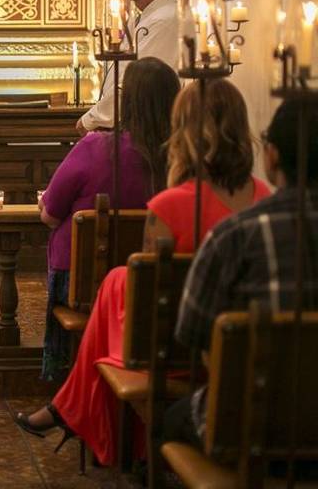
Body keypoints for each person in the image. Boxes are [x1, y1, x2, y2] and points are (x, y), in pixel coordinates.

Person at [16, 79, 272, 467]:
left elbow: (157, 302)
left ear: (183, 131)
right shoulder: (264, 200)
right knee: (119, 281)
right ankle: (66, 410)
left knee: (119, 280)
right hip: (246, 346)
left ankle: (71, 411)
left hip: (174, 347)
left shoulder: (170, 206)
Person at [164, 98, 318, 467]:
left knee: (169, 419)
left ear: (272, 156)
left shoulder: (235, 235)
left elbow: (191, 333)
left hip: (252, 424)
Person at [38, 58, 180, 381]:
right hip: (154, 282)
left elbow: (49, 214)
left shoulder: (95, 147)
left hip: (82, 282)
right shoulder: (180, 157)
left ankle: (64, 375)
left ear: (125, 101)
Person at [79, 0, 182, 134]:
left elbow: (136, 83)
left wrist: (92, 120)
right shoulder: (146, 18)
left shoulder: (165, 20)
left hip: (146, 129)